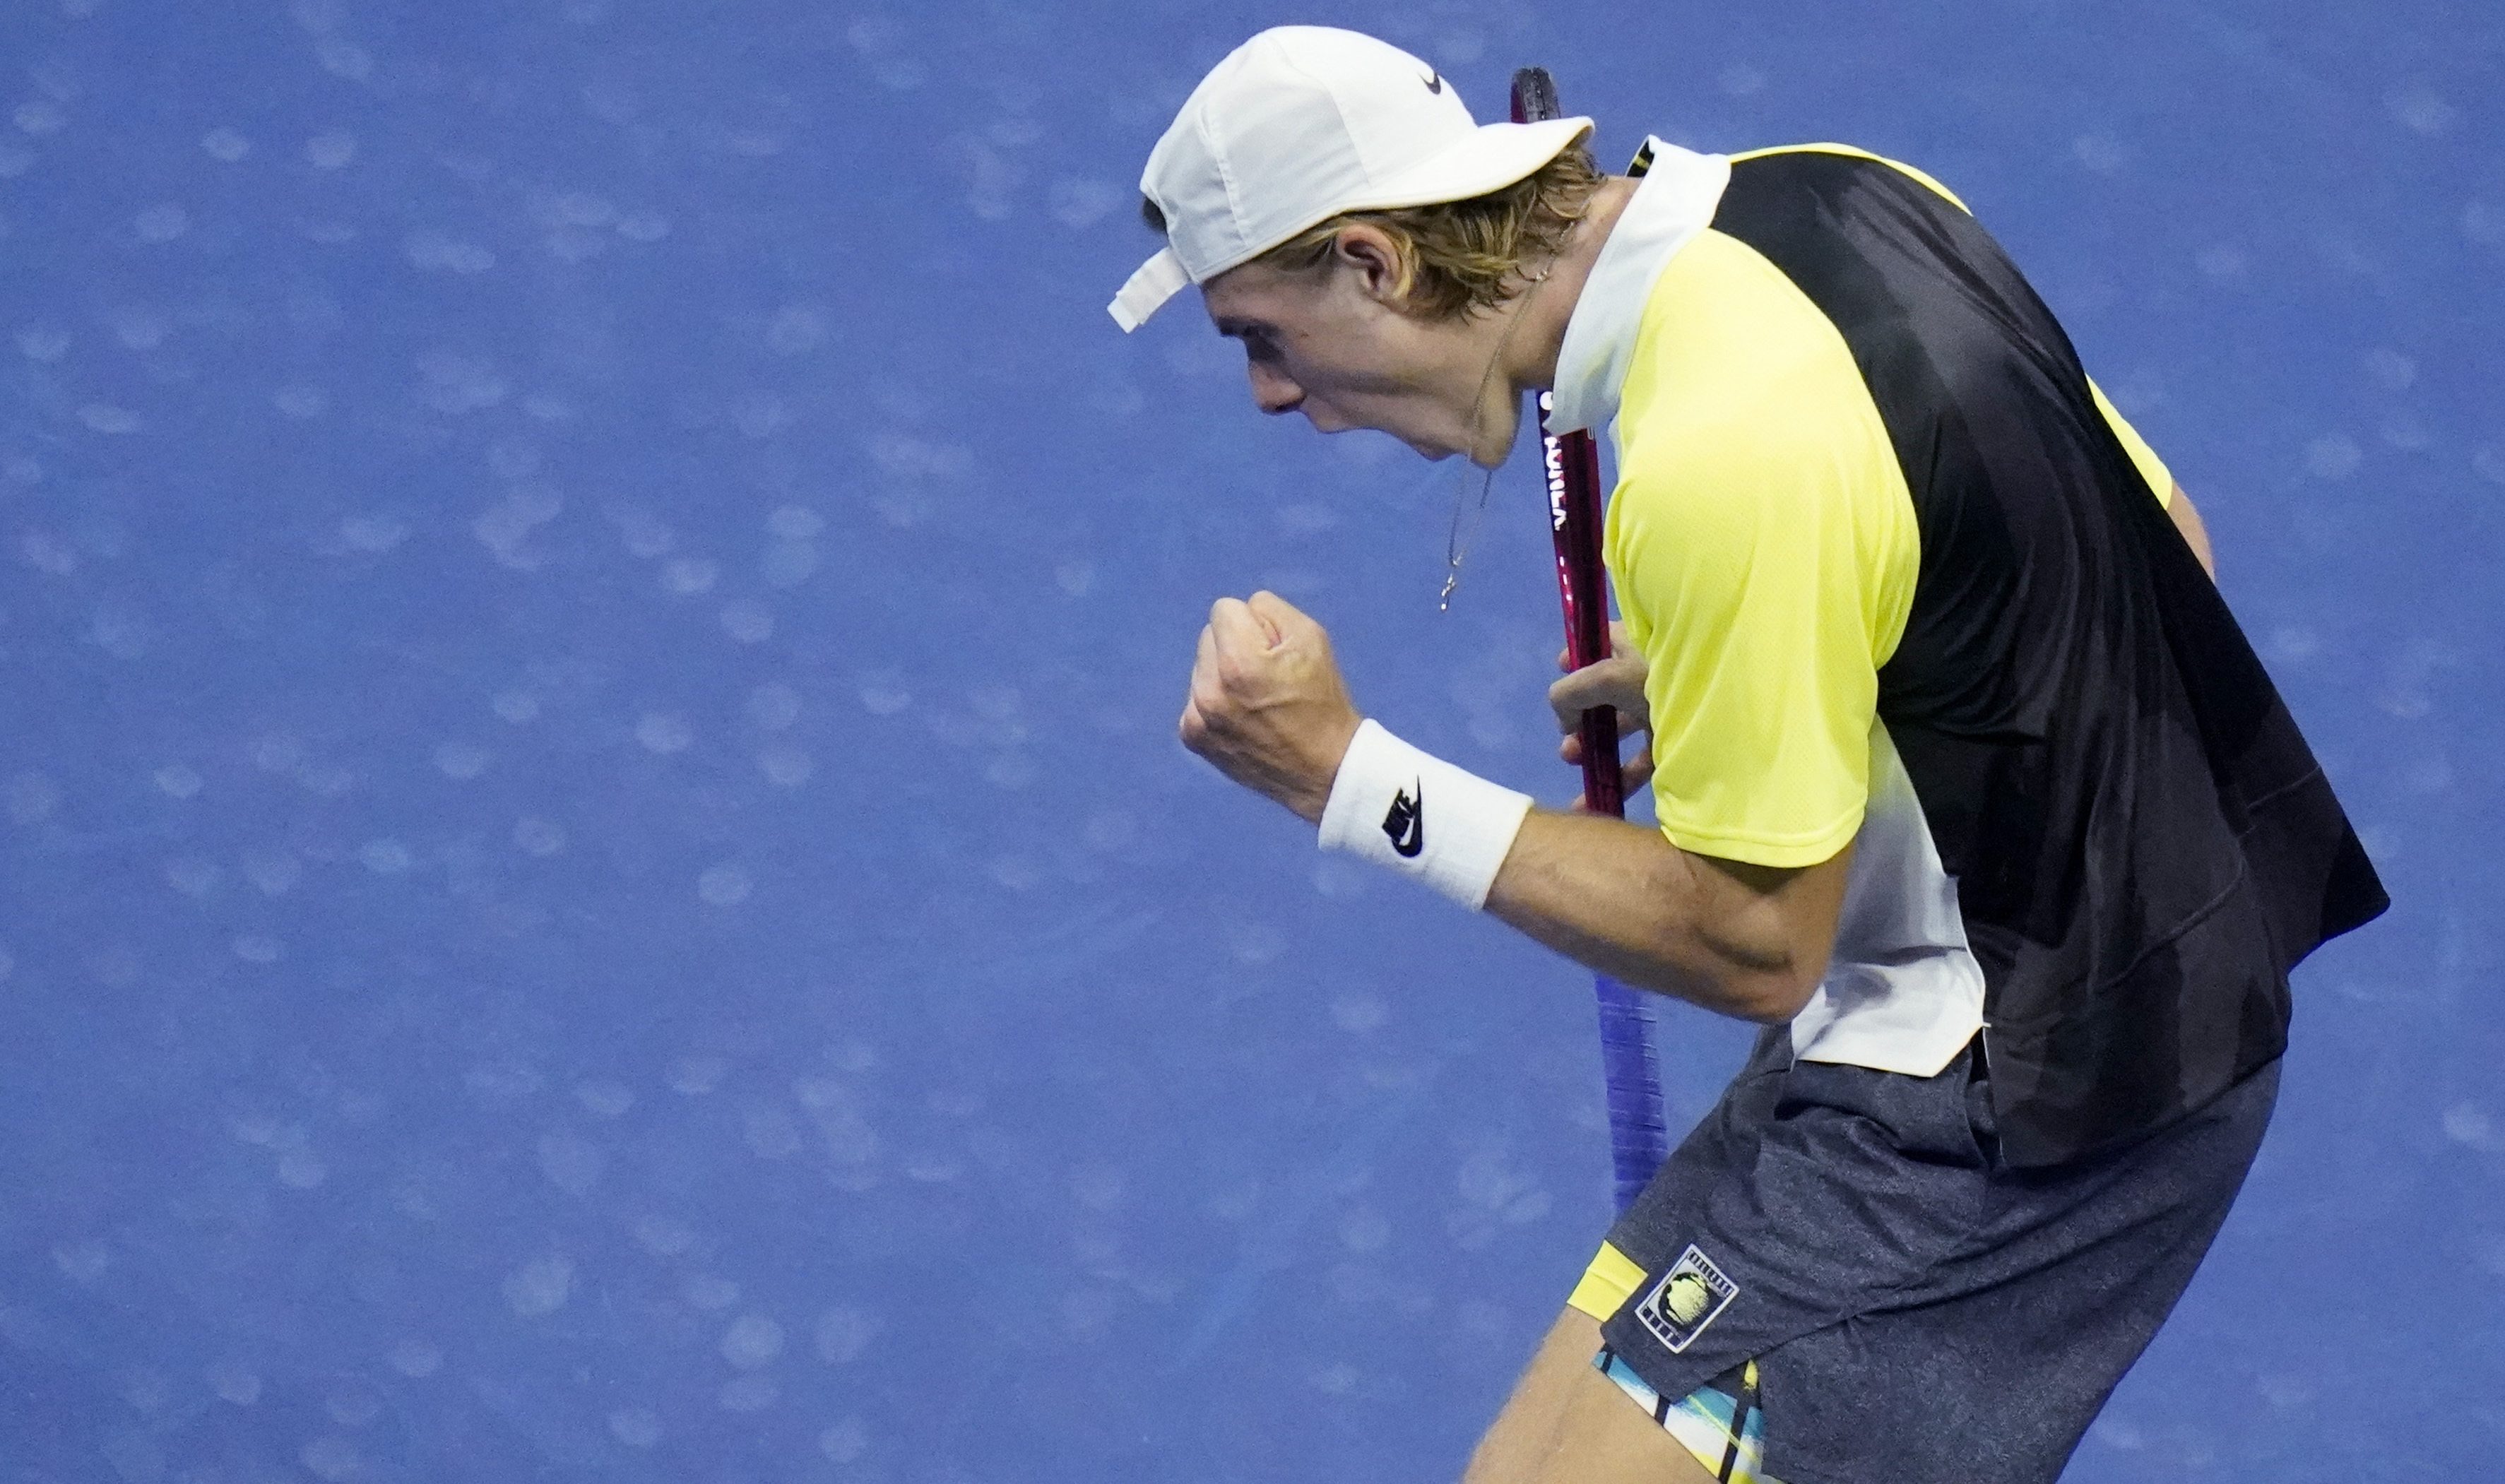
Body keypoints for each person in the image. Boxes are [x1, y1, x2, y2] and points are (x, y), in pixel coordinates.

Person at [1109, 25, 2388, 1484]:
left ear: (1375, 262)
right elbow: (2162, 549)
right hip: (2067, 997)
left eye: (1258, 335)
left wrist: (1349, 779)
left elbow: (1753, 944)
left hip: (2010, 1113)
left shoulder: (1718, 454)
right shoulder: (1833, 196)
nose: (1273, 394)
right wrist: (1814, 640)